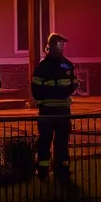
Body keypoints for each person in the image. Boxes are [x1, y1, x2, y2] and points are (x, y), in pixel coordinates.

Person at [31, 32, 77, 179]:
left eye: (63, 44)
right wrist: (43, 103)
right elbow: (35, 87)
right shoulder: (46, 66)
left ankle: (57, 168)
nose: (62, 47)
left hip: (55, 111)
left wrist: (43, 102)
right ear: (52, 46)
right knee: (47, 139)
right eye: (60, 44)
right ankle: (46, 168)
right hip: (54, 111)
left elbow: (73, 83)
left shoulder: (64, 64)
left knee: (58, 140)